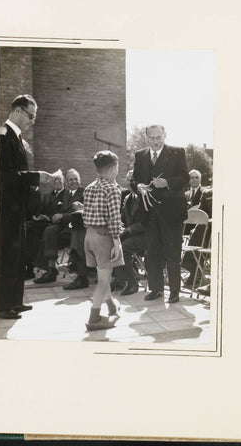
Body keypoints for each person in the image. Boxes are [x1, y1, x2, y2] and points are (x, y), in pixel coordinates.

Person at [0, 94, 52, 319]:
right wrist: (36, 176)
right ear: (17, 111)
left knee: (18, 257)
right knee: (8, 256)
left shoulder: (16, 138)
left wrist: (33, 187)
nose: (32, 121)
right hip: (7, 209)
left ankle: (15, 302)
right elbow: (5, 175)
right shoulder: (3, 136)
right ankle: (2, 306)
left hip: (18, 209)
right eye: (30, 115)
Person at [131, 125, 189, 303]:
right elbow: (134, 179)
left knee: (172, 254)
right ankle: (156, 289)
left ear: (165, 135)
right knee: (152, 253)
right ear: (146, 138)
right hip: (149, 213)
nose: (155, 142)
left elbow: (185, 178)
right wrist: (138, 186)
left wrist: (167, 183)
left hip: (171, 213)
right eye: (152, 138)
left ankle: (174, 292)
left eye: (159, 137)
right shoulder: (140, 155)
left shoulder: (177, 152)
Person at [83, 150, 124, 331]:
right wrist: (116, 243)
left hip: (89, 236)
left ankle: (111, 307)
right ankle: (94, 319)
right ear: (114, 168)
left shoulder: (89, 187)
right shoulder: (112, 189)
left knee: (102, 274)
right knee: (103, 279)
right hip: (103, 238)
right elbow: (114, 220)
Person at [33, 169, 84, 284]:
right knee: (49, 231)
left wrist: (62, 216)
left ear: (80, 180)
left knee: (49, 235)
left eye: (76, 179)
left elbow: (81, 214)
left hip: (76, 229)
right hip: (64, 228)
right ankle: (50, 269)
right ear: (66, 182)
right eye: (71, 180)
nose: (74, 182)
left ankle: (49, 270)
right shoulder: (66, 194)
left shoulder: (83, 193)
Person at [113, 170, 147, 296]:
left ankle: (133, 282)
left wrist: (127, 230)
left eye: (132, 180)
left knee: (123, 247)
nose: (129, 183)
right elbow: (123, 218)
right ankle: (120, 280)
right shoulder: (127, 198)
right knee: (113, 242)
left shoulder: (144, 198)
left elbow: (145, 224)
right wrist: (119, 226)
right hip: (131, 234)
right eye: (127, 180)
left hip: (145, 236)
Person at [25, 173, 65, 279]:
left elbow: (63, 212)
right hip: (45, 223)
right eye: (55, 180)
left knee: (36, 233)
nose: (57, 181)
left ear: (63, 181)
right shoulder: (47, 196)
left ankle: (37, 267)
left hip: (59, 225)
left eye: (59, 179)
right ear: (52, 182)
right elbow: (40, 210)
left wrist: (49, 217)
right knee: (28, 227)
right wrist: (38, 217)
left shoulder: (66, 195)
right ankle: (31, 265)